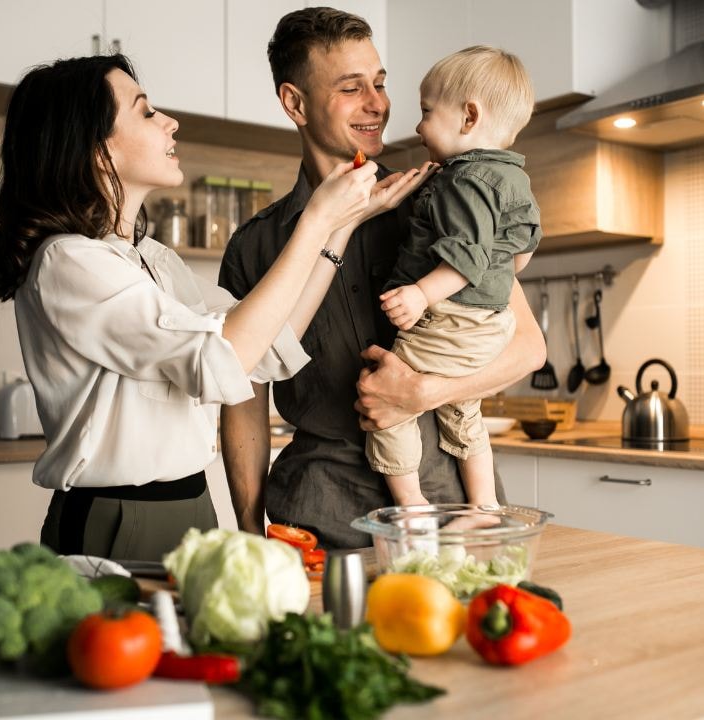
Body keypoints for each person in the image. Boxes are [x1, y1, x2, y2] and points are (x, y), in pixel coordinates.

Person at [0, 54, 432, 562]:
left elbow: (266, 346)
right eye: (146, 112)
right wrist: (315, 221)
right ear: (93, 148)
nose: (171, 122)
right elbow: (225, 359)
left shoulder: (153, 259)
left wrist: (339, 227)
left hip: (192, 505)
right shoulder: (69, 261)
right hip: (117, 517)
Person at [219, 8, 546, 548]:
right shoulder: (255, 245)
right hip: (316, 515)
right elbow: (242, 403)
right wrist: (250, 533)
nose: (377, 104)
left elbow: (528, 349)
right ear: (294, 102)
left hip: (452, 511)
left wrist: (424, 391)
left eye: (380, 83)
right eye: (352, 88)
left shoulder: (442, 196)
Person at [367, 45, 540, 510]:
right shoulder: (512, 177)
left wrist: (423, 293)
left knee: (388, 399)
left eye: (426, 112)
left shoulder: (466, 181)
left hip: (450, 320)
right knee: (465, 411)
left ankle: (412, 506)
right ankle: (484, 506)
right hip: (488, 323)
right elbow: (517, 256)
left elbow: (466, 258)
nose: (419, 126)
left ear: (468, 117)